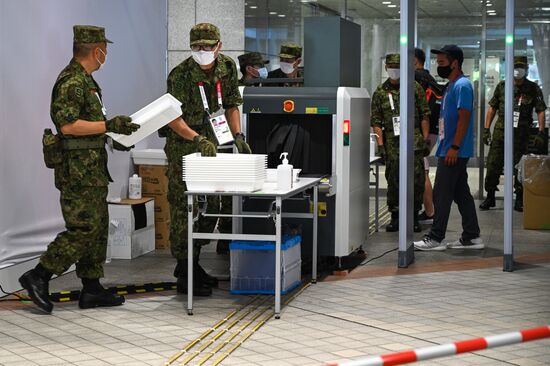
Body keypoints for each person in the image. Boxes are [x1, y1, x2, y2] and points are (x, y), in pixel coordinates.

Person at [18, 25, 139, 314]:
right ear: (96, 50)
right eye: (105, 49)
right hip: (77, 171)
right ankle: (39, 275)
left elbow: (89, 127)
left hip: (92, 169)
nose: (106, 54)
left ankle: (92, 288)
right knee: (83, 228)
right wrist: (109, 126)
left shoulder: (87, 81)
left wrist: (114, 137)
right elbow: (68, 126)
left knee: (97, 229)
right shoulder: (72, 82)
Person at [161, 23, 250, 296]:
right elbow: (172, 117)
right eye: (197, 47)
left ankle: (193, 261)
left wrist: (238, 135)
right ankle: (185, 269)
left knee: (211, 204)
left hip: (214, 145)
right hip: (183, 146)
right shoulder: (180, 75)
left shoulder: (226, 67)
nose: (203, 51)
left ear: (219, 45)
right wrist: (195, 139)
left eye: (208, 46)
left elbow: (232, 104)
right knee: (183, 207)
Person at [414, 45, 482, 251]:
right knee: (461, 194)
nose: (438, 66)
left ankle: (436, 238)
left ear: (455, 63)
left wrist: (454, 146)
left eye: (442, 62)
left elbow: (464, 118)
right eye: (437, 62)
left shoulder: (462, 86)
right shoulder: (450, 85)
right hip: (448, 148)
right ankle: (472, 236)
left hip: (454, 150)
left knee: (441, 194)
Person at [371, 53, 430, 233]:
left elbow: (424, 115)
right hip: (391, 144)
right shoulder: (380, 92)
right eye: (391, 66)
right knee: (394, 181)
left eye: (398, 66)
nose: (394, 70)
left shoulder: (415, 88)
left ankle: (412, 216)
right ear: (386, 68)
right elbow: (376, 121)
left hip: (414, 142)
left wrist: (425, 139)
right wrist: (380, 145)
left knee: (416, 180)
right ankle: (396, 217)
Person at [480, 56, 547, 212]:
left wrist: (541, 132)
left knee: (520, 167)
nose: (518, 70)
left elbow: (540, 110)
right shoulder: (502, 86)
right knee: (493, 164)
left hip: (522, 134)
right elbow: (492, 108)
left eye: (521, 67)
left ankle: (519, 199)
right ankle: (490, 196)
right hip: (501, 132)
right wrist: (486, 129)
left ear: (526, 69)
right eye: (515, 67)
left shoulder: (533, 88)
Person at [414, 48, 446, 225]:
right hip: (432, 129)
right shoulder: (428, 77)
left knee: (422, 170)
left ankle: (430, 212)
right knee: (422, 167)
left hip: (422, 130)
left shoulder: (416, 78)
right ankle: (429, 211)